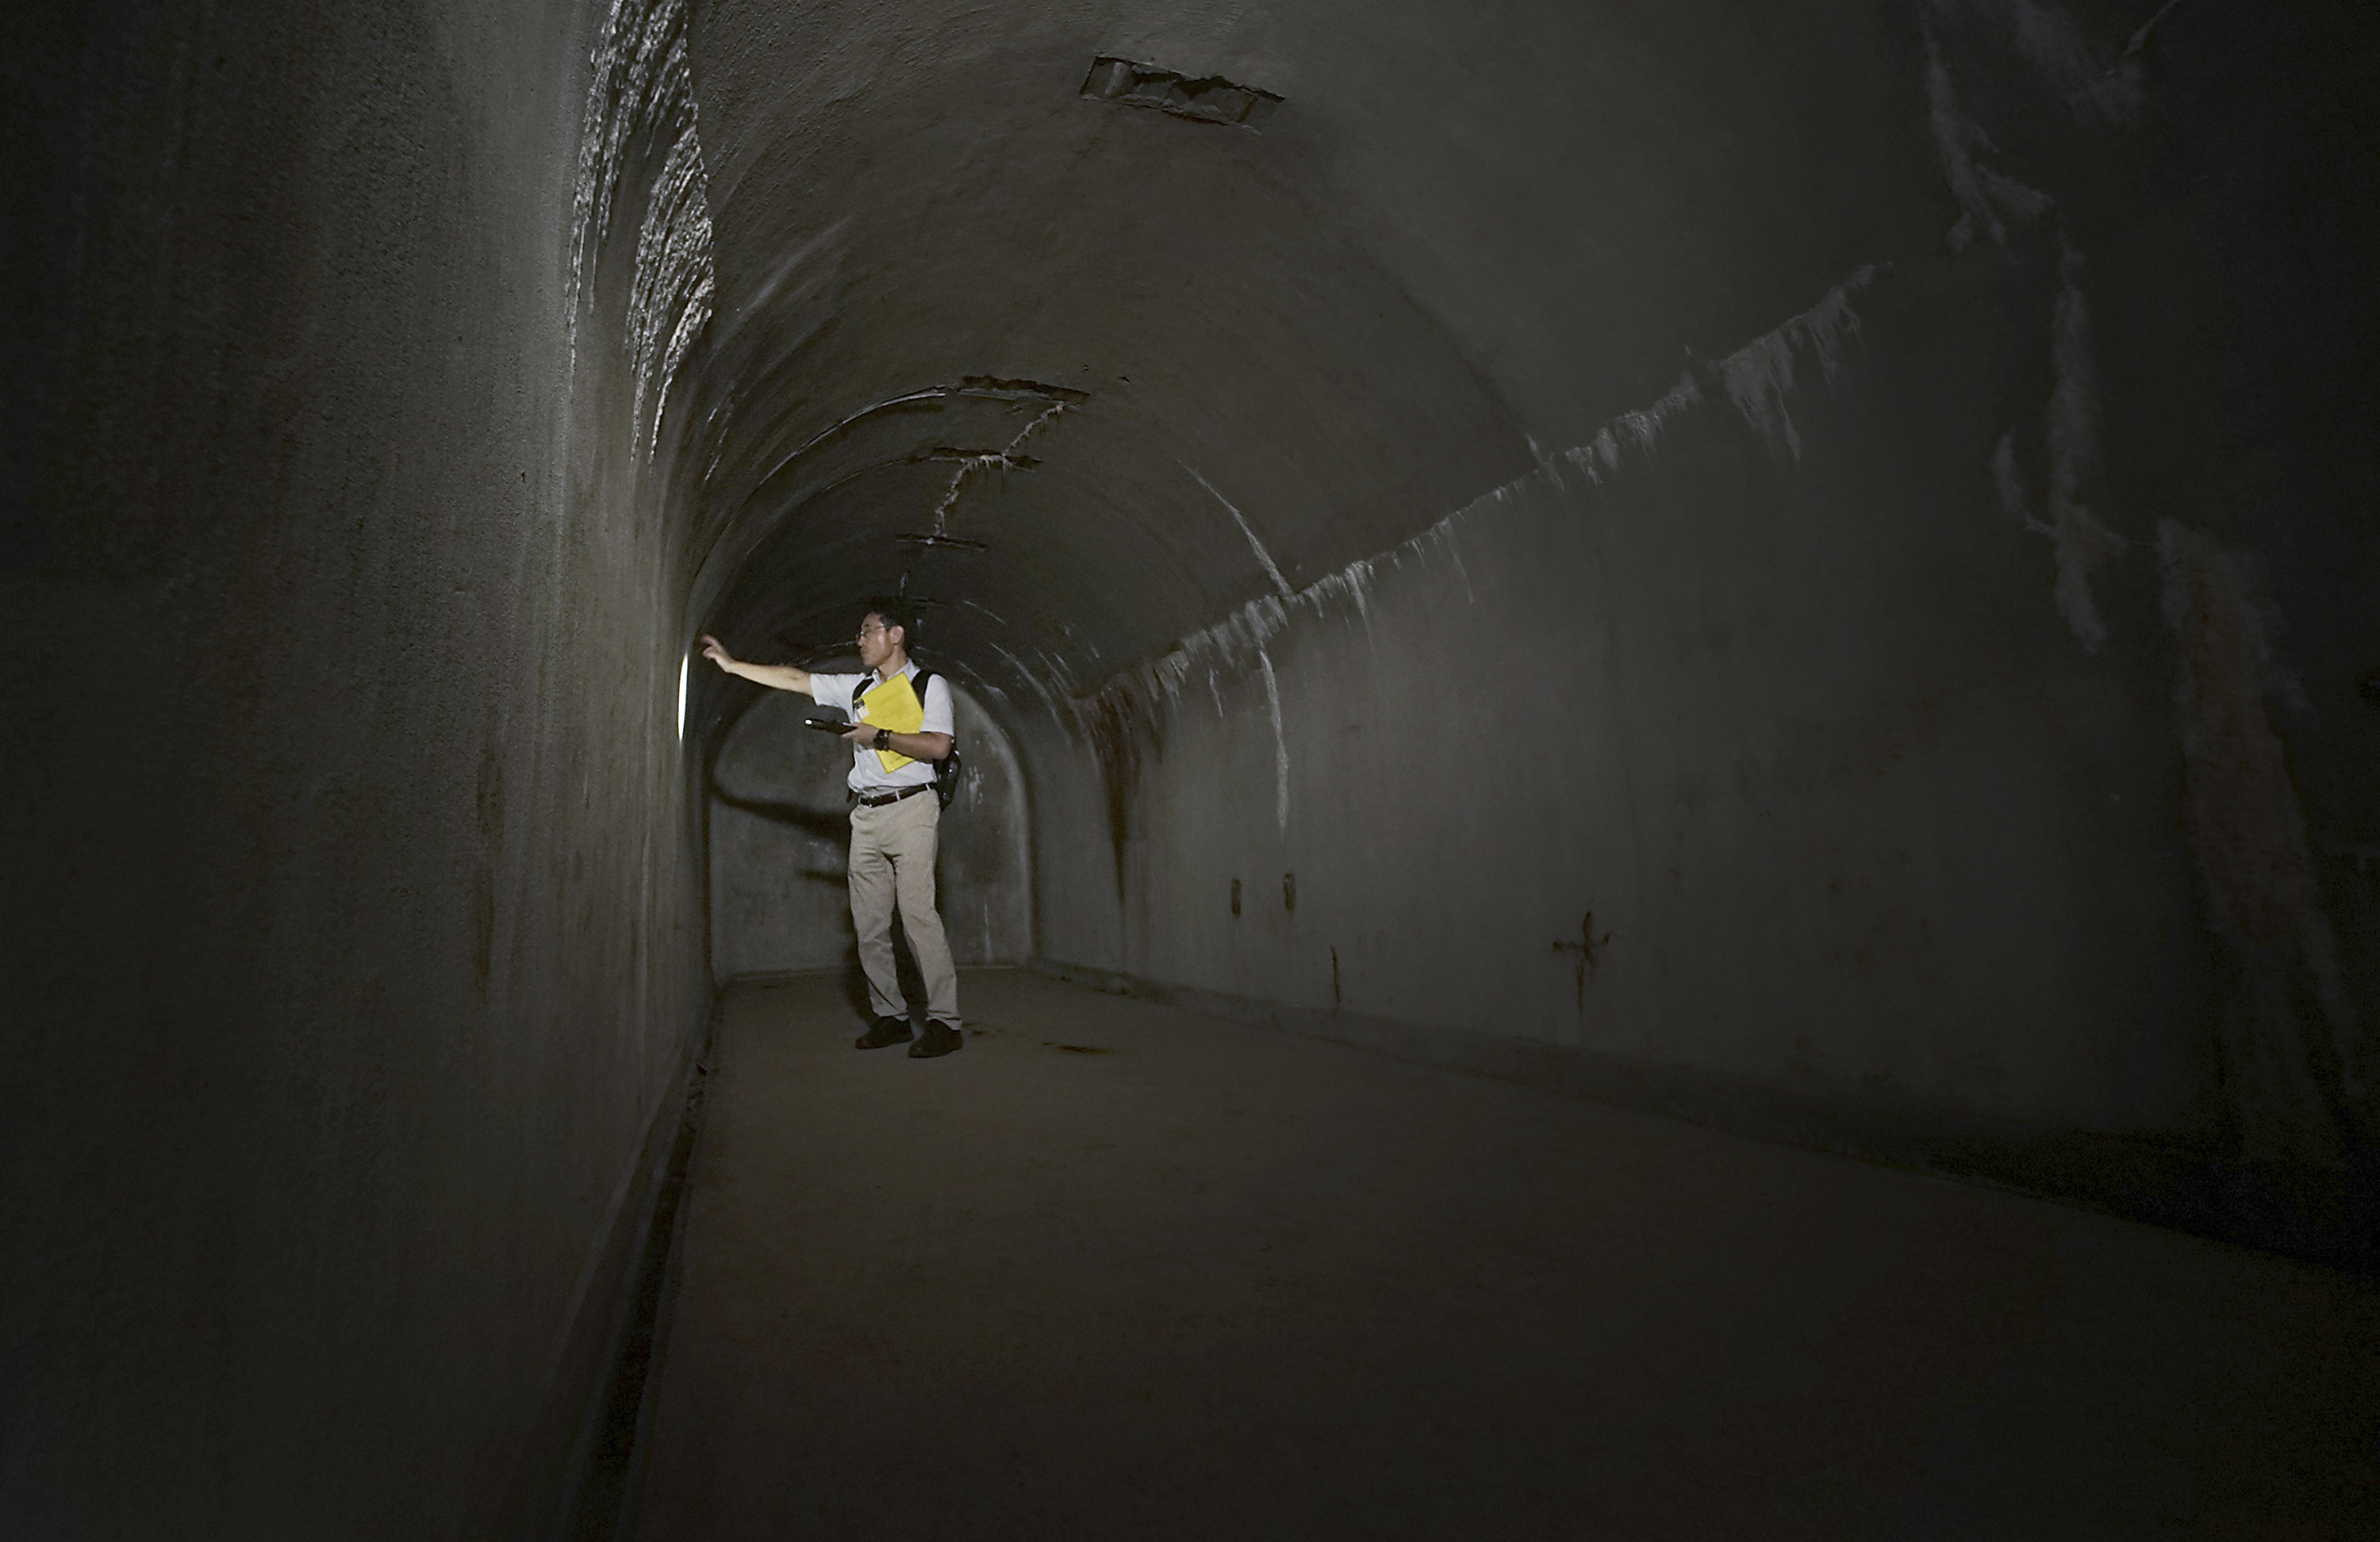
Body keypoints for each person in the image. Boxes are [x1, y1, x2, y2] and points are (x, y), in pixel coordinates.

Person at [699, 600, 964, 1057]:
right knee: (869, 925)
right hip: (865, 815)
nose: (859, 639)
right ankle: (891, 1017)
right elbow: (795, 679)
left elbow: (938, 747)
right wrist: (731, 665)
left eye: (867, 631)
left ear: (895, 635)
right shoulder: (857, 687)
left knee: (918, 917)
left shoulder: (927, 685)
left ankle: (945, 1022)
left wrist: (878, 736)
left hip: (911, 810)